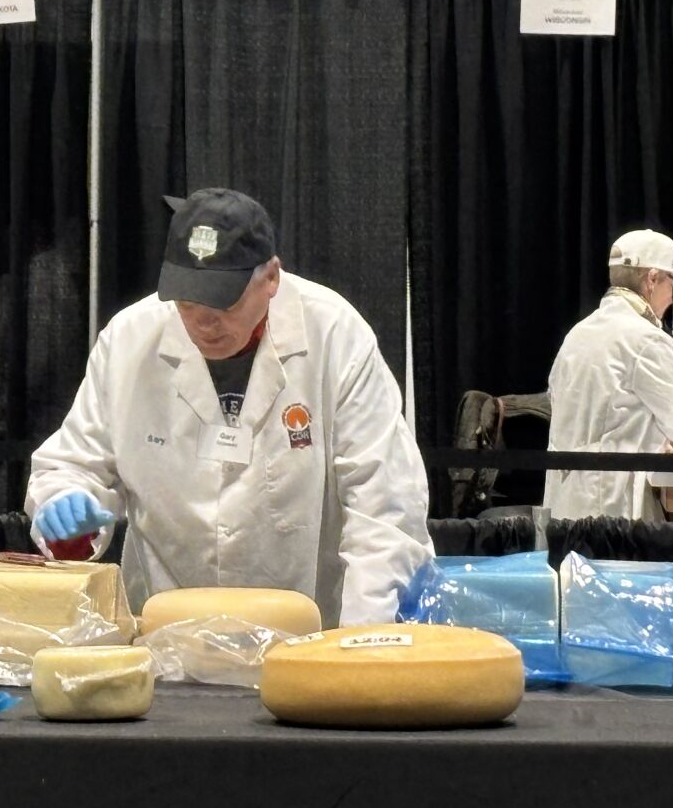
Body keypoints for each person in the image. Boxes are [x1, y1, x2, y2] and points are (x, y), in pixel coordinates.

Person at [26, 188, 431, 626]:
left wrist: (360, 643)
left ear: (271, 278)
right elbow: (74, 465)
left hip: (305, 644)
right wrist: (65, 503)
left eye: (224, 301)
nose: (204, 323)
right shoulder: (128, 341)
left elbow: (385, 508)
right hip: (167, 643)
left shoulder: (335, 337)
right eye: (187, 302)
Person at [543, 229, 673, 520]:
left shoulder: (577, 334)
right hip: (613, 506)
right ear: (652, 279)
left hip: (565, 503)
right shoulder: (645, 339)